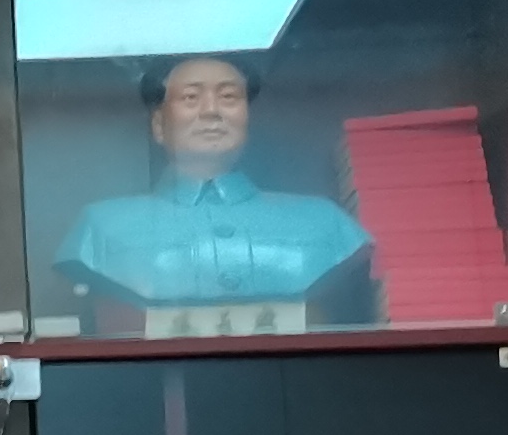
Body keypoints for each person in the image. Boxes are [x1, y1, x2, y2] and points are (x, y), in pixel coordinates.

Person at [50, 52, 369, 323]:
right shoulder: (101, 226)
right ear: (159, 125)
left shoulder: (324, 221)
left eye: (228, 97)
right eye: (191, 97)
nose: (211, 111)